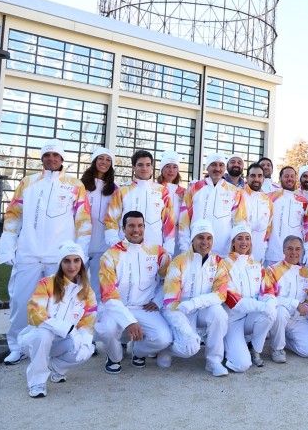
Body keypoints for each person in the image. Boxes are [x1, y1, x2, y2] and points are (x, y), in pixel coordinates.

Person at [0, 139, 91, 365]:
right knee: (21, 301)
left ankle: (54, 347)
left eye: (56, 156)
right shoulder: (28, 182)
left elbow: (83, 221)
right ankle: (17, 346)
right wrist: (8, 246)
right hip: (28, 253)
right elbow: (13, 215)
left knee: (59, 304)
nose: (52, 159)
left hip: (59, 258)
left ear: (62, 159)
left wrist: (81, 254)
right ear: (42, 159)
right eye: (47, 155)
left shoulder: (74, 185)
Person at [94, 211, 173, 374]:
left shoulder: (157, 252)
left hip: (144, 308)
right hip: (117, 307)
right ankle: (114, 357)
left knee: (164, 338)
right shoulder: (110, 256)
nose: (136, 230)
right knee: (105, 330)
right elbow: (108, 294)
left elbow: (170, 280)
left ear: (144, 227)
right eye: (131, 225)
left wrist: (158, 300)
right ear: (123, 228)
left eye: (140, 225)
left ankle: (138, 352)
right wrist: (129, 321)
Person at [19, 241, 96, 398]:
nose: (72, 266)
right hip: (34, 340)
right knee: (44, 334)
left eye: (76, 260)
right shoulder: (47, 283)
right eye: (66, 260)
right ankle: (37, 382)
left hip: (61, 342)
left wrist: (85, 342)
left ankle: (57, 367)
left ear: (82, 263)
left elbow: (88, 322)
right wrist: (64, 328)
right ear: (60, 263)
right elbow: (35, 312)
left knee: (87, 350)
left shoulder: (87, 292)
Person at [161, 219, 229, 376]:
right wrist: (187, 331)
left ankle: (214, 362)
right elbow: (171, 303)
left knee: (219, 313)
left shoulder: (218, 262)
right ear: (193, 239)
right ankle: (167, 348)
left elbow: (221, 294)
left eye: (209, 238)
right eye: (200, 237)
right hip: (180, 312)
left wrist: (195, 303)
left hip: (200, 309)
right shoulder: (179, 261)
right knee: (189, 349)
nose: (205, 242)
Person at [215, 224, 277, 372]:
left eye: (247, 238)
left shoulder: (257, 265)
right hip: (233, 319)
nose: (244, 242)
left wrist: (270, 304)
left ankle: (255, 349)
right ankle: (227, 345)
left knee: (271, 313)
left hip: (250, 317)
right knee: (242, 365)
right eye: (240, 238)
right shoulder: (223, 265)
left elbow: (268, 291)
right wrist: (263, 306)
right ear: (233, 242)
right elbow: (234, 301)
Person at [104, 150, 175, 253]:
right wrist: (116, 245)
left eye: (148, 165)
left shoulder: (162, 191)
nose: (144, 168)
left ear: (152, 167)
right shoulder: (123, 190)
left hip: (154, 250)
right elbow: (111, 220)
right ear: (133, 167)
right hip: (126, 249)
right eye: (140, 165)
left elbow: (169, 223)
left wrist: (168, 251)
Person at [261, 235, 308, 363]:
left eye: (297, 249)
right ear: (283, 250)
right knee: (280, 311)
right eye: (290, 249)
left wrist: (305, 307)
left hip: (297, 319)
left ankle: (283, 340)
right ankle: (277, 348)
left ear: (302, 251)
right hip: (279, 316)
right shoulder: (273, 270)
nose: (294, 252)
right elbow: (268, 296)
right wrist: (295, 303)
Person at [178, 153, 245, 256]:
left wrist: (236, 251)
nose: (217, 168)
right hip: (196, 250)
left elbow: (239, 223)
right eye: (213, 164)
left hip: (223, 252)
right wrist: (184, 249)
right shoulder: (193, 188)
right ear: (207, 167)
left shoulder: (234, 192)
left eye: (221, 165)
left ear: (224, 168)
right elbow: (184, 221)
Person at [80, 146, 117, 303]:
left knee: (98, 287)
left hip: (102, 245)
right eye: (101, 158)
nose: (104, 162)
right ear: (94, 161)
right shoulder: (81, 186)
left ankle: (95, 321)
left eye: (108, 160)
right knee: (76, 285)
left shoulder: (115, 189)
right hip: (81, 243)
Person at [264, 166, 308, 268]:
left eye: (292, 176)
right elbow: (265, 225)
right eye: (286, 176)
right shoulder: (270, 197)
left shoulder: (303, 201)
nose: (289, 179)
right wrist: (262, 247)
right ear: (280, 178)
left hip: (295, 255)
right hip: (273, 254)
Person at [239, 163, 273, 262]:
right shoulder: (238, 194)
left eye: (260, 176)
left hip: (258, 254)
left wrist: (263, 249)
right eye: (253, 176)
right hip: (238, 253)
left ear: (263, 178)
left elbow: (268, 227)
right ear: (247, 177)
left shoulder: (267, 200)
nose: (256, 179)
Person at [157, 151, 187, 256]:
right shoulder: (155, 189)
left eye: (175, 167)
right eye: (167, 166)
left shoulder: (183, 192)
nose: (171, 170)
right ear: (162, 169)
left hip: (178, 237)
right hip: (159, 234)